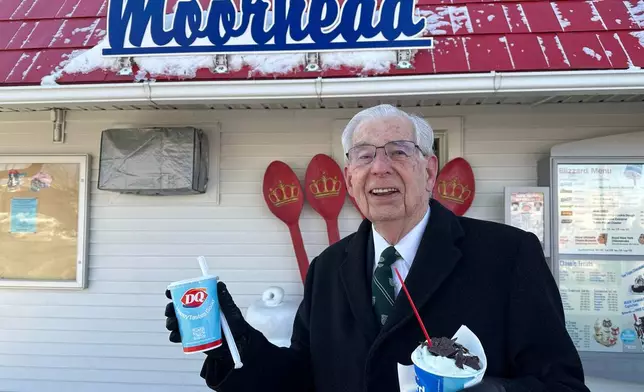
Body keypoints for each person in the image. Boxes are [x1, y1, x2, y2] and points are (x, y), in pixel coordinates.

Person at [165, 104, 590, 392]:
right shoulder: (328, 268)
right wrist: (237, 345)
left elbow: (562, 383)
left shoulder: (509, 255)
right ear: (350, 177)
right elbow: (303, 377)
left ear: (429, 171)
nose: (380, 167)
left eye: (399, 152)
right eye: (364, 155)